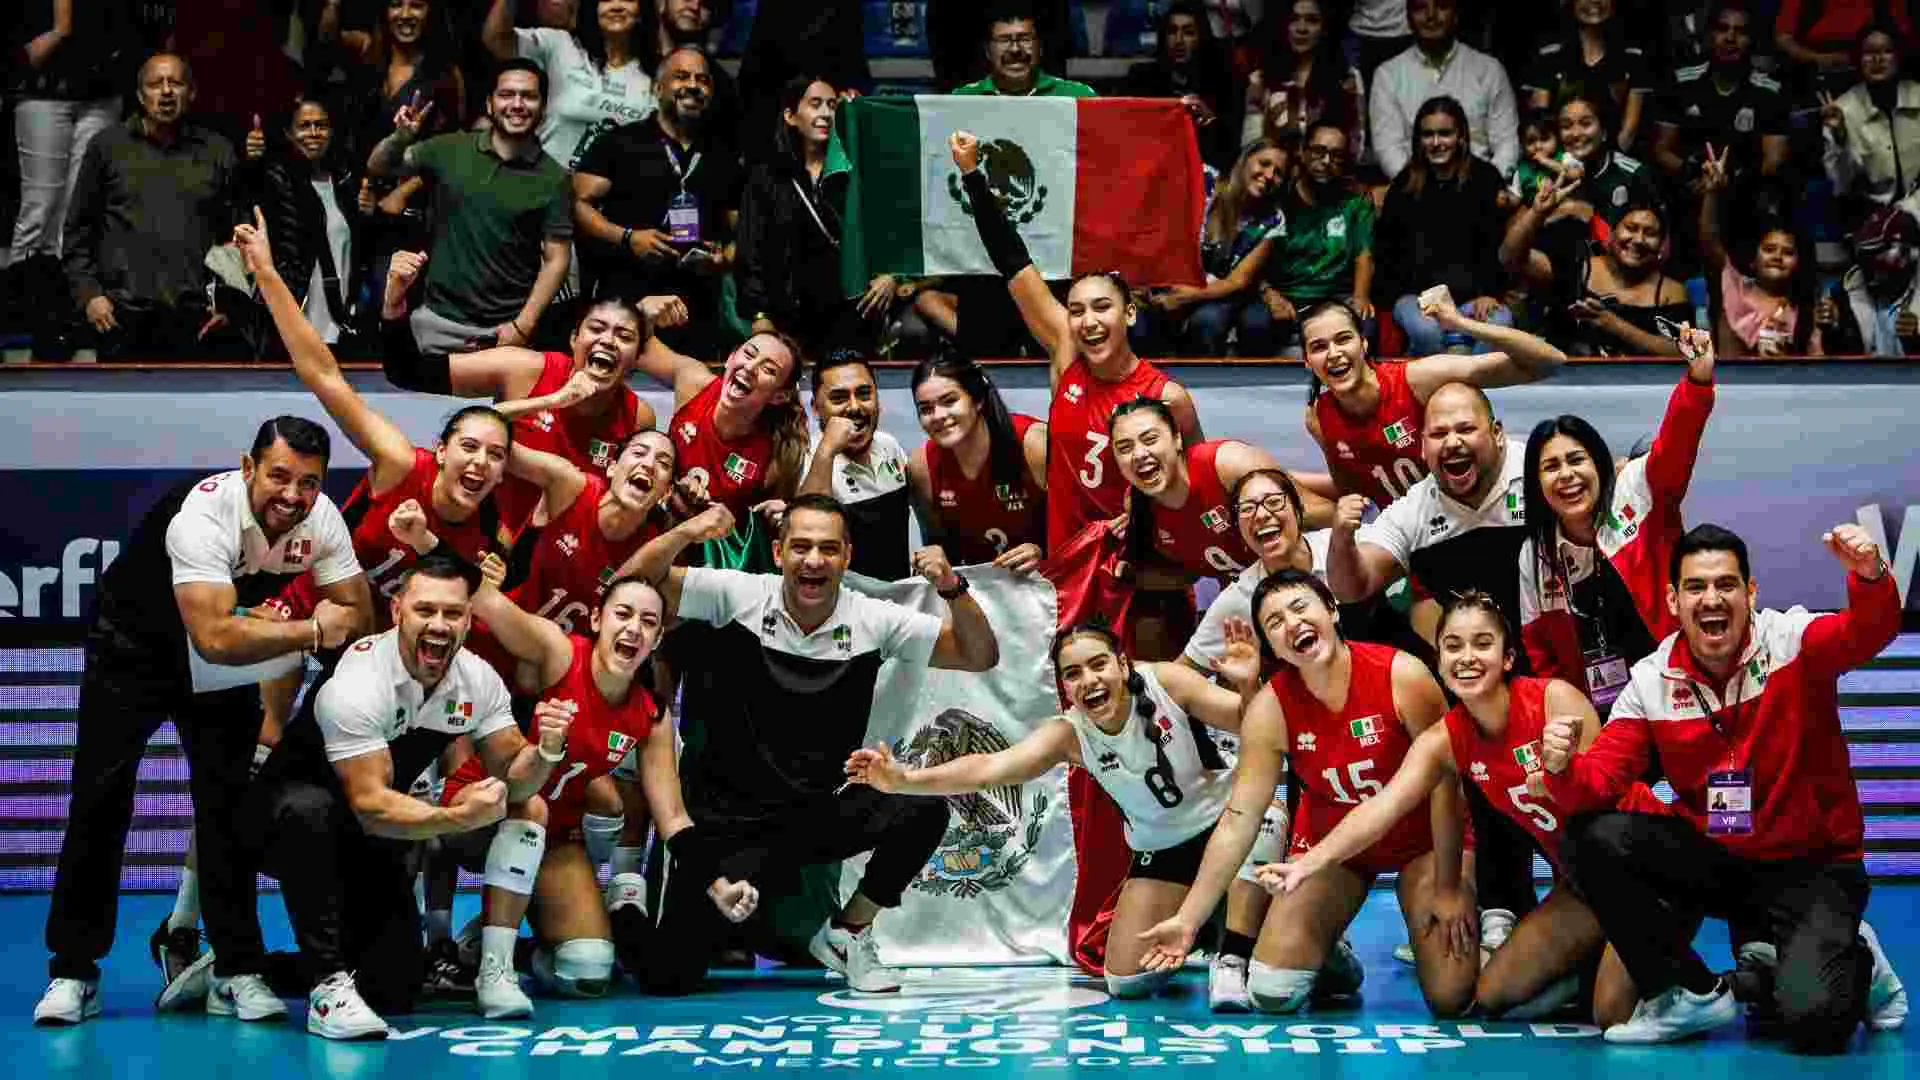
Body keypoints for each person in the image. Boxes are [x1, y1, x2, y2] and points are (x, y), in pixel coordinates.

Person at [32, 415, 371, 1026]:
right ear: (248, 469)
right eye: (279, 477)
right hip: (134, 649)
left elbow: (359, 612)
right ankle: (74, 971)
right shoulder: (201, 516)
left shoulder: (321, 520)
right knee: (101, 799)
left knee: (227, 810)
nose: (293, 496)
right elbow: (216, 636)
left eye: (310, 483)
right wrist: (308, 627)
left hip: (221, 668)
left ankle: (236, 968)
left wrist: (302, 620)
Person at [1543, 523, 1909, 1048]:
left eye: (1726, 585)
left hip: (1812, 864)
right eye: (1695, 587)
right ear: (1673, 600)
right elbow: (1598, 781)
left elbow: (1867, 632)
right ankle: (1688, 991)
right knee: (1588, 835)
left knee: (1812, 1024)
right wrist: (1561, 767)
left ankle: (1857, 956)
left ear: (1751, 593)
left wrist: (1870, 577)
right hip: (1717, 857)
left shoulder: (1792, 642)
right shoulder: (1651, 680)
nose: (1711, 599)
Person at [640, 494, 1000, 994]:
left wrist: (951, 587)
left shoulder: (873, 618)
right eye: (801, 547)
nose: (814, 560)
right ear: (779, 551)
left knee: (922, 810)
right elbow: (633, 586)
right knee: (668, 978)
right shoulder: (736, 594)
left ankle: (848, 932)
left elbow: (979, 655)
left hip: (812, 818)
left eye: (829, 549)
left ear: (847, 557)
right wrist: (685, 534)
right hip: (728, 828)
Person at [1248, 590, 1643, 1021]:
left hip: (1635, 871)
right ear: (1438, 660)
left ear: (1508, 658)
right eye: (1453, 646)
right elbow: (1386, 804)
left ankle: (1625, 959)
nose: (1466, 657)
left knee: (1612, 1013)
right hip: (1580, 888)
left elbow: (1612, 806)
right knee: (1490, 995)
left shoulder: (1556, 702)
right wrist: (1309, 863)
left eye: (1482, 644)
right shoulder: (1445, 740)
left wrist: (1563, 775)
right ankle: (1594, 962)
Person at [242, 556, 569, 1037]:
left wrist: (546, 750)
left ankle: (259, 969)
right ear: (397, 612)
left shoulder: (476, 680)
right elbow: (371, 806)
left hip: (365, 836)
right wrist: (457, 817)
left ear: (468, 620)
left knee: (395, 986)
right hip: (281, 823)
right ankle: (326, 985)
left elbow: (517, 780)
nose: (439, 625)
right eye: (425, 610)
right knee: (310, 811)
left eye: (453, 614)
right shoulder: (359, 680)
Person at [847, 618, 1260, 998]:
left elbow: (1255, 724)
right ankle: (1207, 927)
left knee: (1264, 816)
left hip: (1226, 823)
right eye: (1073, 673)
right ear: (1063, 685)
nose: (1088, 680)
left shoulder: (1167, 681)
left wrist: (1247, 686)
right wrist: (904, 780)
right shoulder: (1069, 733)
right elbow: (990, 768)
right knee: (1126, 982)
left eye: (1099, 665)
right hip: (1163, 850)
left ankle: (1235, 953)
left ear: (1123, 664)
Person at [1135, 570, 1478, 1017]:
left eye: (1300, 608)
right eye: (1274, 622)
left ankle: (1472, 922)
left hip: (1425, 845)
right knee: (1272, 992)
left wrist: (1449, 886)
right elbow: (1240, 819)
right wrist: (1188, 919)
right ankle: (1330, 954)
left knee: (1451, 997)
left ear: (1332, 611)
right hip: (1334, 852)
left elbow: (1448, 787)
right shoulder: (1269, 708)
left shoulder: (1404, 676)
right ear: (1271, 647)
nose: (1291, 623)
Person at [440, 558, 708, 1007]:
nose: (634, 630)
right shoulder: (559, 651)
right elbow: (485, 601)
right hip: (483, 807)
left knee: (586, 969)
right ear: (598, 618)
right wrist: (427, 542)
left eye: (649, 622)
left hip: (555, 836)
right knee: (532, 807)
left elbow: (674, 817)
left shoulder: (651, 714)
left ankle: (514, 938)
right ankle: (494, 968)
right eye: (623, 615)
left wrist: (715, 880)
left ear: (658, 638)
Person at [951, 130, 1202, 557]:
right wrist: (973, 174)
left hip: (1139, 563)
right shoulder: (1067, 353)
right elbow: (1011, 258)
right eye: (1077, 310)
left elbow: (1196, 488)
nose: (1088, 321)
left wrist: (1148, 515)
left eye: (1102, 307)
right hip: (1066, 562)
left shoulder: (1167, 396)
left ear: (1129, 314)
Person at [1172, 469, 1324, 1009]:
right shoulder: (1237, 599)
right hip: (1285, 754)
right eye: (1247, 511)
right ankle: (1230, 956)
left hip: (1353, 743)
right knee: (1263, 820)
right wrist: (1243, 702)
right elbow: (1180, 676)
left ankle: (1327, 947)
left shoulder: (1343, 557)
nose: (1263, 517)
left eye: (1273, 502)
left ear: (1298, 507)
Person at [379, 250, 664, 529]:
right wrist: (395, 302)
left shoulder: (639, 417)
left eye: (624, 336)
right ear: (575, 339)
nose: (608, 341)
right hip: (490, 539)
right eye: (597, 328)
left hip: (565, 552)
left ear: (637, 358)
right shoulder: (523, 369)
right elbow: (407, 371)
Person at [1518, 326, 1716, 712]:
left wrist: (1698, 378)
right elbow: (1539, 648)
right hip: (1603, 713)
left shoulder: (1637, 490)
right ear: (1536, 483)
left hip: (1682, 687)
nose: (1567, 475)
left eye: (1577, 460)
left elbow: (1676, 444)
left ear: (1600, 464)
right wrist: (1568, 717)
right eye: (1550, 466)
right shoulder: (1535, 553)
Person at [368, 58, 573, 356]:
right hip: (436, 324)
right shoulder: (449, 149)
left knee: (499, 406)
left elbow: (557, 259)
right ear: (490, 104)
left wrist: (522, 327)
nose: (517, 104)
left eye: (528, 96)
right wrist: (399, 139)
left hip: (506, 332)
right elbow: (379, 166)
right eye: (506, 94)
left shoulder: (554, 177)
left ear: (543, 108)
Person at [1301, 294, 1566, 508]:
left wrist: (1461, 324)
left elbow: (1550, 361)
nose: (1334, 354)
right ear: (1307, 361)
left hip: (1485, 507)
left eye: (1343, 339)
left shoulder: (1418, 379)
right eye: (1319, 347)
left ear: (1364, 344)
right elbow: (1349, 489)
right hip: (1411, 534)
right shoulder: (1317, 418)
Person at [62, 52, 245, 360]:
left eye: (175, 83)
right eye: (154, 84)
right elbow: (78, 230)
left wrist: (230, 302)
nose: (166, 92)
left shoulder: (217, 151)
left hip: (197, 321)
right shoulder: (107, 147)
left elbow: (236, 235)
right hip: (121, 318)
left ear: (192, 93)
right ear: (139, 94)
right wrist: (89, 295)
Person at [573, 46, 744, 357]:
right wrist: (628, 238)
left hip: (698, 311)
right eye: (681, 77)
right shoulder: (619, 141)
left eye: (702, 79)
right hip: (627, 304)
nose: (693, 85)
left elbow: (744, 230)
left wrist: (724, 259)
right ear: (657, 87)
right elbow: (578, 204)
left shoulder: (725, 155)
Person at [736, 75, 896, 356]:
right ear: (790, 116)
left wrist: (891, 276)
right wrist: (760, 316)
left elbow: (889, 229)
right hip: (788, 317)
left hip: (852, 313)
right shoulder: (768, 176)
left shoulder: (856, 170)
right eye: (815, 104)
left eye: (833, 105)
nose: (826, 113)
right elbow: (751, 251)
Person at [634, 328, 809, 567]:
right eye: (749, 354)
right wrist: (646, 310)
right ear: (730, 358)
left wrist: (781, 518)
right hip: (653, 533)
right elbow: (636, 342)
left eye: (768, 369)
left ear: (779, 396)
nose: (750, 367)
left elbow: (768, 539)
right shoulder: (693, 382)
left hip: (714, 563)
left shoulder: (779, 455)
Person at [1113, 397, 1334, 583]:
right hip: (1251, 603)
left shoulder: (1228, 464)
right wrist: (1125, 573)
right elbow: (1188, 575)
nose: (1139, 454)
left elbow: (1325, 514)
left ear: (1177, 438)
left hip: (1317, 575)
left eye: (1150, 439)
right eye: (1125, 448)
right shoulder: (1137, 506)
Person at [1376, 97, 1516, 355]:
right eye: (1428, 135)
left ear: (1461, 135)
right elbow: (1388, 255)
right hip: (1416, 297)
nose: (1436, 142)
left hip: (1473, 299)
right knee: (1427, 331)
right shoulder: (1404, 185)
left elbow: (1496, 247)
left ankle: (1471, 390)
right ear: (1419, 140)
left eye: (1445, 133)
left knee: (1500, 324)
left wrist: (1488, 292)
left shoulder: (1485, 179)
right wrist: (1423, 298)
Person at [1505, 183, 1690, 358]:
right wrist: (1536, 213)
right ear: (1611, 234)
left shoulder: (1670, 291)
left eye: (1650, 233)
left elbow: (1685, 351)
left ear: (1661, 246)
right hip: (1566, 381)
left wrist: (1612, 324)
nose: (1639, 239)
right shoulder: (1575, 268)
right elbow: (1510, 259)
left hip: (1638, 386)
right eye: (1630, 228)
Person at [907, 352, 1049, 570]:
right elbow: (941, 549)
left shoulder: (1035, 444)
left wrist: (1042, 552)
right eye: (925, 409)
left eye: (949, 401)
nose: (938, 416)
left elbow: (1078, 529)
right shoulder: (921, 466)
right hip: (980, 591)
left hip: (1051, 582)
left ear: (978, 399)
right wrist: (932, 558)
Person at [1147, 139, 1288, 357]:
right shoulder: (1206, 180)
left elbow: (1237, 282)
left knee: (1208, 322)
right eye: (1264, 163)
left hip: (1220, 292)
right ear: (1245, 160)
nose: (1269, 176)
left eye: (1278, 172)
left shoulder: (1274, 220)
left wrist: (1187, 297)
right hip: (1173, 278)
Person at [481, 0, 655, 172]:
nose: (616, 6)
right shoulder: (560, 45)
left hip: (615, 194)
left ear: (641, 12)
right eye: (606, 0)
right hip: (545, 185)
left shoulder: (657, 73)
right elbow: (496, 39)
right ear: (592, 9)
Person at [256, 95, 371, 351]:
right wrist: (254, 159)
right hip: (296, 313)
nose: (313, 133)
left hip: (341, 317)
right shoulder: (275, 178)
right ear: (288, 133)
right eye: (304, 126)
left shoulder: (344, 182)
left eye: (321, 125)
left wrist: (367, 212)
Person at [1368, 0, 1520, 181]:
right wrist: (1421, 192)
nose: (1431, 15)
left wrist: (1485, 187)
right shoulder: (1387, 75)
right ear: (1408, 19)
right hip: (1415, 195)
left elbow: (1507, 144)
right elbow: (1389, 150)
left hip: (1482, 193)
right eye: (1420, 8)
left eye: (1441, 6)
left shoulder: (1489, 70)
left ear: (1456, 15)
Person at [1651, 3, 1792, 198]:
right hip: (1690, 186)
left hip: (1746, 193)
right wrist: (1697, 174)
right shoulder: (1682, 82)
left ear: (1751, 40)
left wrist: (1729, 181)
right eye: (1722, 29)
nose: (1730, 37)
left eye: (1740, 32)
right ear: (1709, 35)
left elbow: (1773, 162)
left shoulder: (1770, 91)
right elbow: (1661, 150)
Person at [1696, 149, 1824, 357]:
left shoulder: (1805, 312)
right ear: (1753, 260)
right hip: (1732, 387)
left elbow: (1817, 370)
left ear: (1799, 263)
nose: (1777, 256)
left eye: (1788, 252)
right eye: (1769, 249)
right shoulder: (1734, 287)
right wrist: (1711, 193)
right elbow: (1709, 243)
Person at [800, 350, 912, 581]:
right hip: (842, 605)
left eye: (864, 394)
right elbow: (810, 531)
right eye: (839, 398)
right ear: (815, 407)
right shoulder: (806, 458)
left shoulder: (889, 445)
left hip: (897, 598)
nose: (854, 407)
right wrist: (827, 451)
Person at [1259, 123, 1376, 339]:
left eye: (1336, 155)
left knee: (1365, 325)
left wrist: (1360, 296)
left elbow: (1364, 255)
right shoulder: (1279, 195)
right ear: (1302, 152)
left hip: (1335, 296)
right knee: (1254, 323)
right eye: (1318, 151)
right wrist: (1269, 293)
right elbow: (1252, 257)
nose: (1326, 161)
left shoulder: (1356, 200)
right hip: (1286, 293)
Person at [1520, 0, 1653, 152]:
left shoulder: (1633, 55)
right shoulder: (1549, 54)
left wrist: (1606, 169)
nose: (1595, 1)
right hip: (1559, 160)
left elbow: (1629, 131)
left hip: (1616, 160)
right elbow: (1541, 124)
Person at [1242, 0, 1365, 160]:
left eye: (1312, 20)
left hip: (1328, 176)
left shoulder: (1348, 79)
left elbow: (1355, 147)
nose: (1301, 28)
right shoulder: (1260, 80)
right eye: (1294, 19)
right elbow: (1250, 148)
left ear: (1325, 28)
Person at [1125, 1, 1239, 167]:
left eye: (1188, 32)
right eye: (1172, 31)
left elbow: (1230, 150)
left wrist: (1210, 120)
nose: (1178, 40)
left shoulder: (1224, 84)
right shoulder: (1141, 79)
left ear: (1201, 38)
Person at [1819, 23, 1920, 209]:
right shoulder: (1841, 110)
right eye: (1868, 53)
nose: (1877, 59)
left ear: (1899, 57)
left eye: (1887, 51)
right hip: (1870, 213)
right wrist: (1839, 139)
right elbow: (1840, 185)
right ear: (1858, 60)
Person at [953, 2, 1095, 98]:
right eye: (1004, 40)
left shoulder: (1078, 96)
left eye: (1025, 39)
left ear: (1040, 47)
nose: (1015, 49)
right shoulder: (962, 99)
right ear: (988, 51)